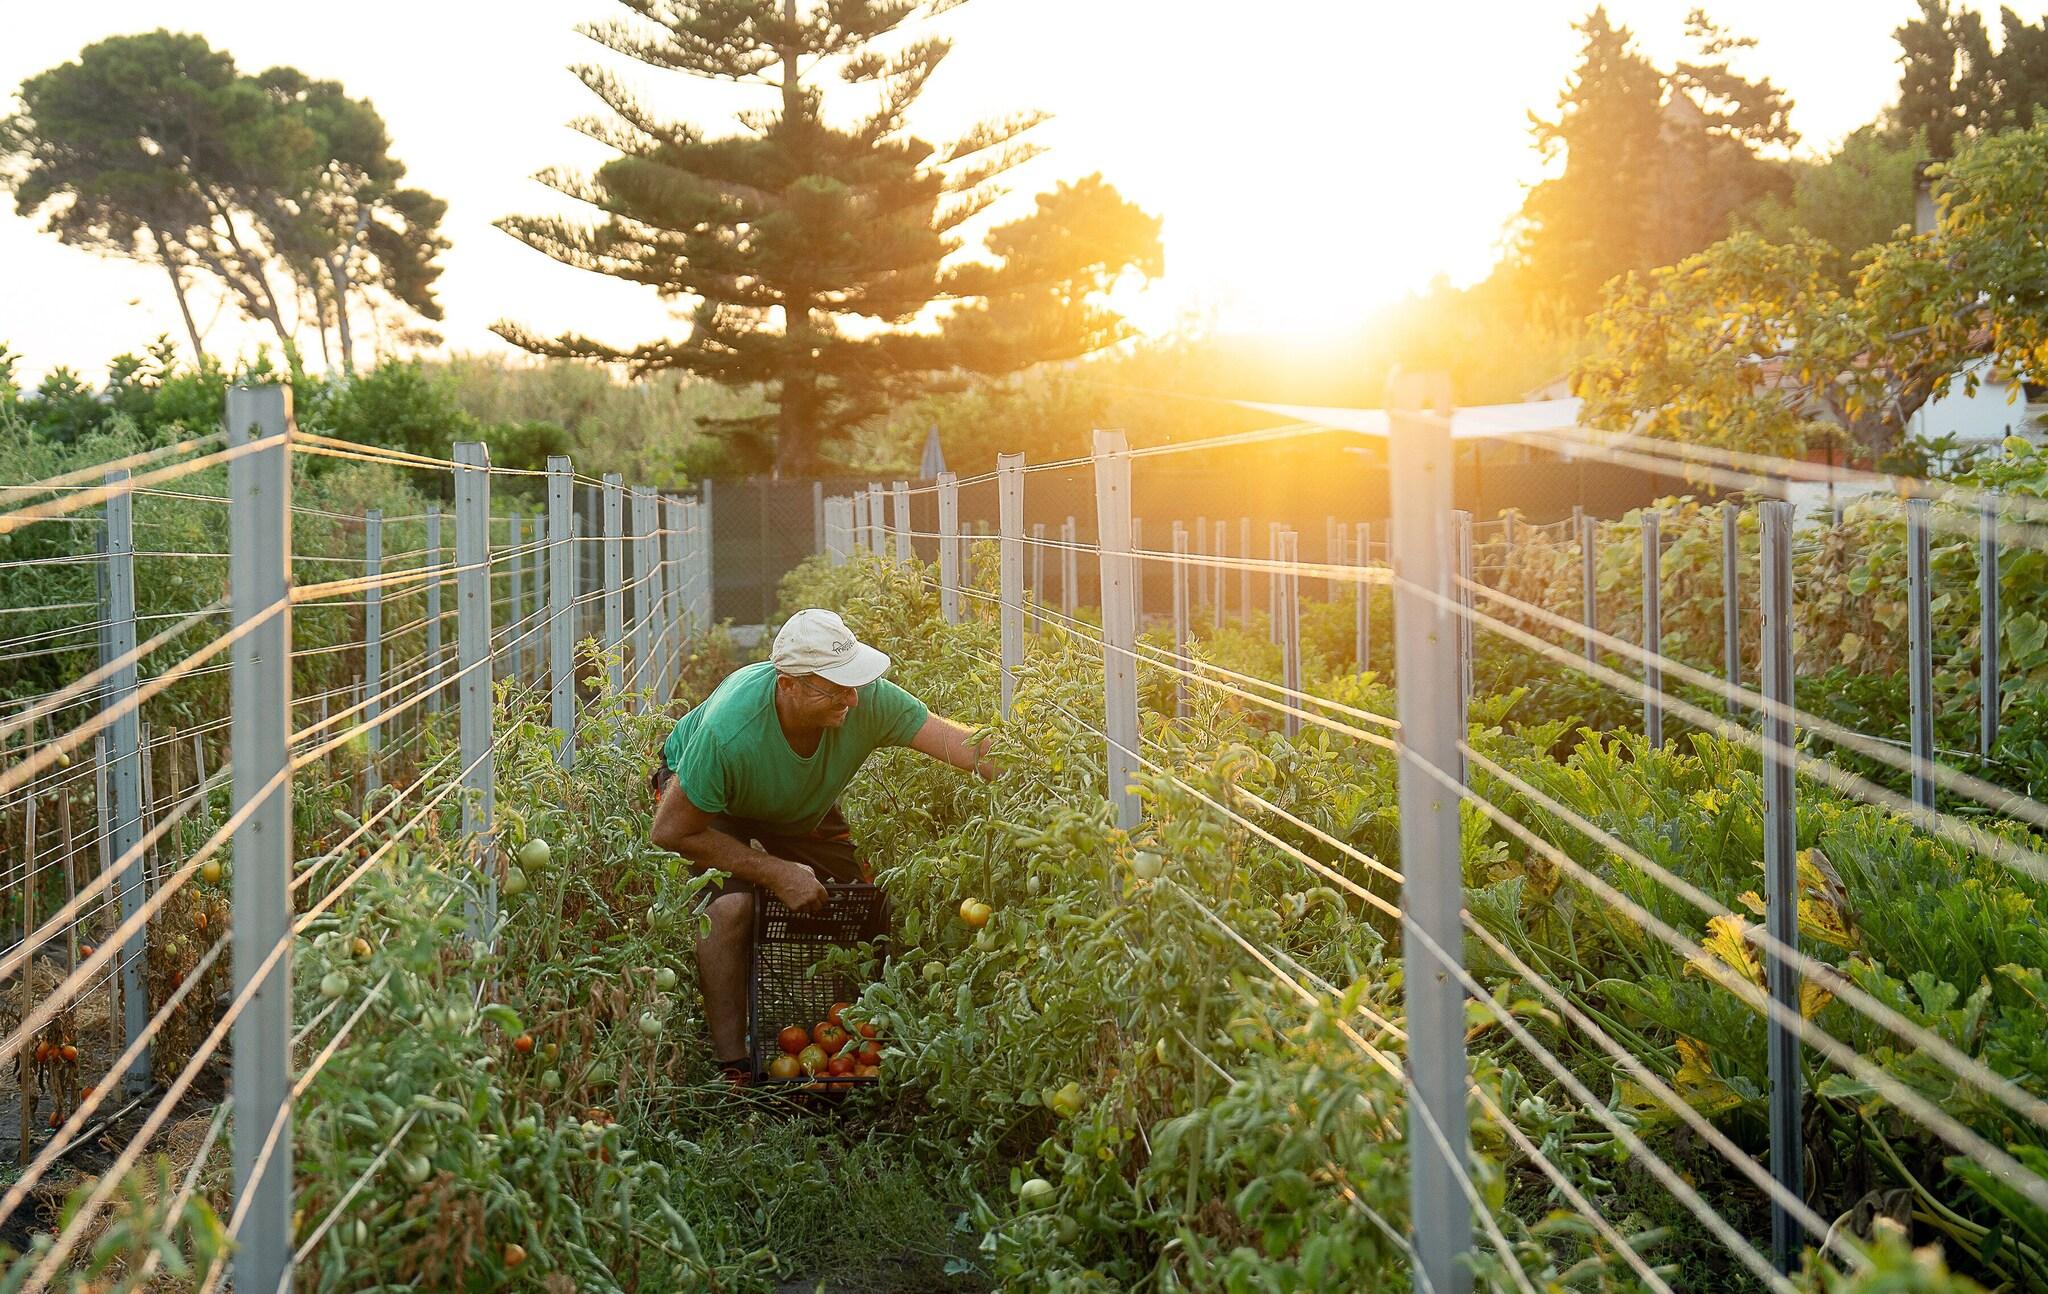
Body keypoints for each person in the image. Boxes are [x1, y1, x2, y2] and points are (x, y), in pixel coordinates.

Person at [648, 608, 993, 1084]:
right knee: (729, 908)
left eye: (853, 682)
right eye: (834, 687)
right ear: (787, 684)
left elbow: (964, 746)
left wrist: (1039, 764)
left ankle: (855, 1036)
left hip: (796, 804)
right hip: (712, 803)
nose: (852, 698)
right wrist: (773, 870)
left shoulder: (863, 699)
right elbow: (670, 832)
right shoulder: (727, 733)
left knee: (854, 900)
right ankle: (732, 1064)